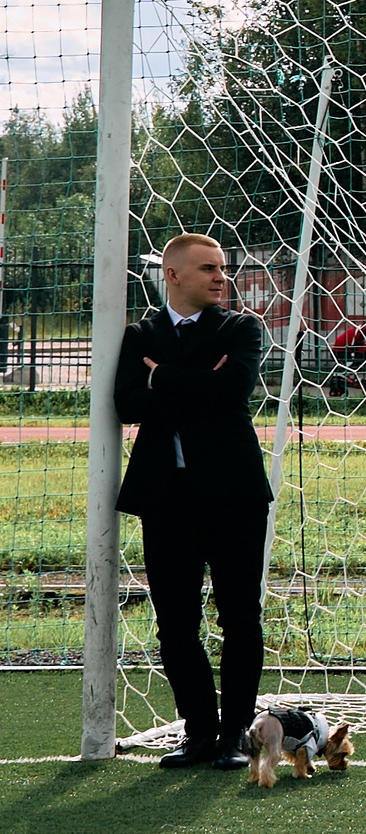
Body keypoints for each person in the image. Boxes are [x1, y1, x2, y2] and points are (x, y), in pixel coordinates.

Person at [114, 233, 271, 770]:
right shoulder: (139, 335)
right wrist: (199, 381)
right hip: (166, 499)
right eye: (208, 268)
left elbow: (234, 392)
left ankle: (235, 738)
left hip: (235, 497)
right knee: (176, 623)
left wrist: (165, 380)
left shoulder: (242, 328)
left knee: (240, 619)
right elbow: (126, 402)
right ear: (173, 275)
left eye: (222, 268)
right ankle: (199, 733)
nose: (220, 277)